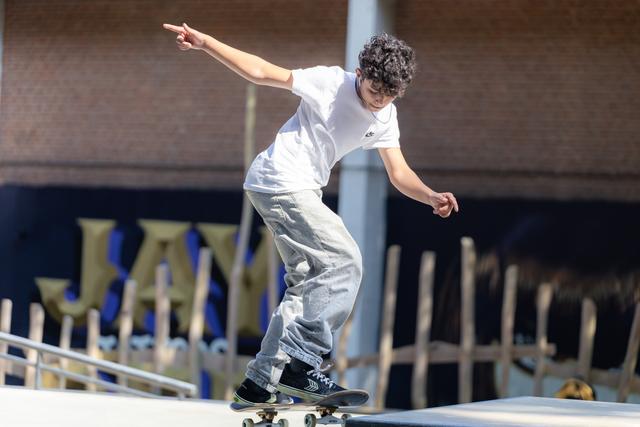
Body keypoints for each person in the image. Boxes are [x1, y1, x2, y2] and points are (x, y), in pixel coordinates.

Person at [163, 22, 459, 405]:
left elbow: (399, 173)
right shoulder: (328, 82)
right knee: (343, 261)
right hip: (282, 182)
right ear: (360, 73)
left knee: (307, 286)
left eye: (387, 96)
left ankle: (260, 383)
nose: (377, 102)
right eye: (373, 91)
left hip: (292, 188)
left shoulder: (387, 115)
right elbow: (260, 71)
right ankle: (301, 366)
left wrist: (430, 195)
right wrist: (207, 44)